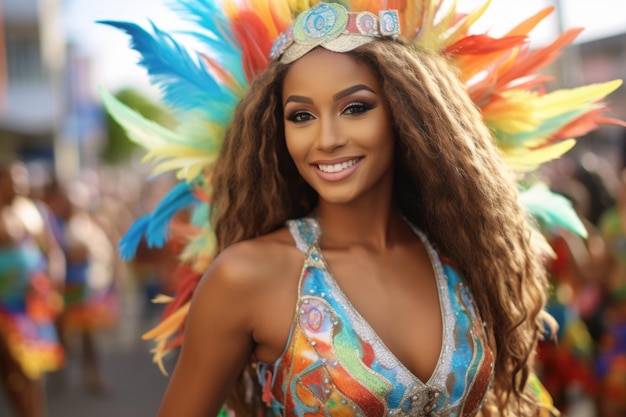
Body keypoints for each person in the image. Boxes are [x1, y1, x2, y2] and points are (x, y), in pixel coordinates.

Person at [101, 1, 624, 416]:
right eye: (301, 116)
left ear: (406, 113)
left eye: (355, 108)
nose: (326, 138)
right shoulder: (247, 276)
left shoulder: (463, 253)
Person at [0, 160, 65, 417]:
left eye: (21, 179)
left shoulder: (33, 211)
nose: (18, 185)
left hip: (31, 306)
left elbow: (52, 250)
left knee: (31, 368)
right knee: (13, 367)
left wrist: (52, 279)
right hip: (4, 308)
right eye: (11, 180)